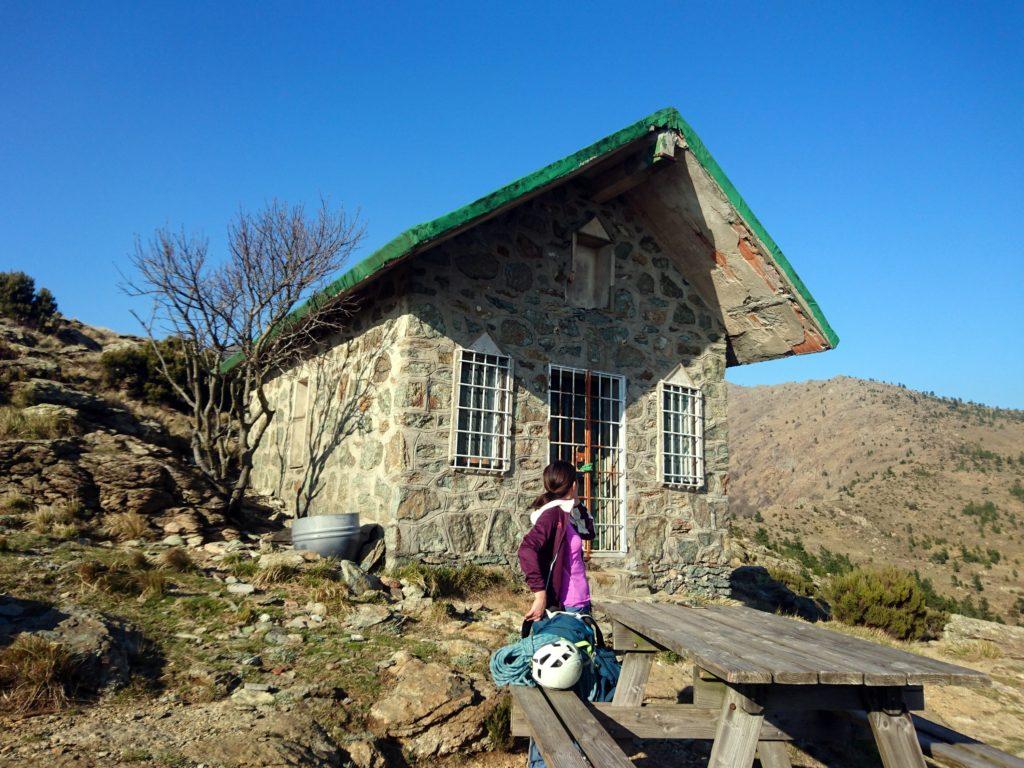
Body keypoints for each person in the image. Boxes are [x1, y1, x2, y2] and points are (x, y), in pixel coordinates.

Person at [518, 460, 596, 621]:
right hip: (567, 604)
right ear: (574, 485)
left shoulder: (567, 513)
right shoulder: (553, 515)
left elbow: (589, 532)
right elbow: (526, 549)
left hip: (580, 601)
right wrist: (539, 594)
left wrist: (576, 503)